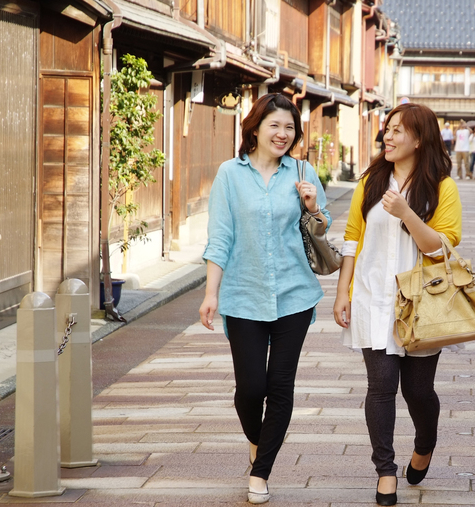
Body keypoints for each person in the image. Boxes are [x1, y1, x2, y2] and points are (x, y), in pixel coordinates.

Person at [199, 93, 332, 505]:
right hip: (243, 295)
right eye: (275, 125)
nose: (283, 133)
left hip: (295, 295)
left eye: (290, 127)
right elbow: (220, 235)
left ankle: (261, 472)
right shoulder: (229, 174)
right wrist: (210, 292)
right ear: (255, 127)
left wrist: (312, 206)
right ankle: (259, 443)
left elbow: (323, 230)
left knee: (280, 386)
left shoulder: (303, 171)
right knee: (249, 389)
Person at [333, 102, 462, 506]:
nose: (387, 136)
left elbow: (440, 248)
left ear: (419, 138)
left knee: (419, 392)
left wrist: (406, 212)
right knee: (381, 386)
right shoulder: (370, 181)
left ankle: (424, 444)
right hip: (373, 299)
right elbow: (353, 237)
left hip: (422, 303)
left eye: (397, 131)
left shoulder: (442, 186)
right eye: (386, 129)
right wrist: (342, 291)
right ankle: (385, 471)